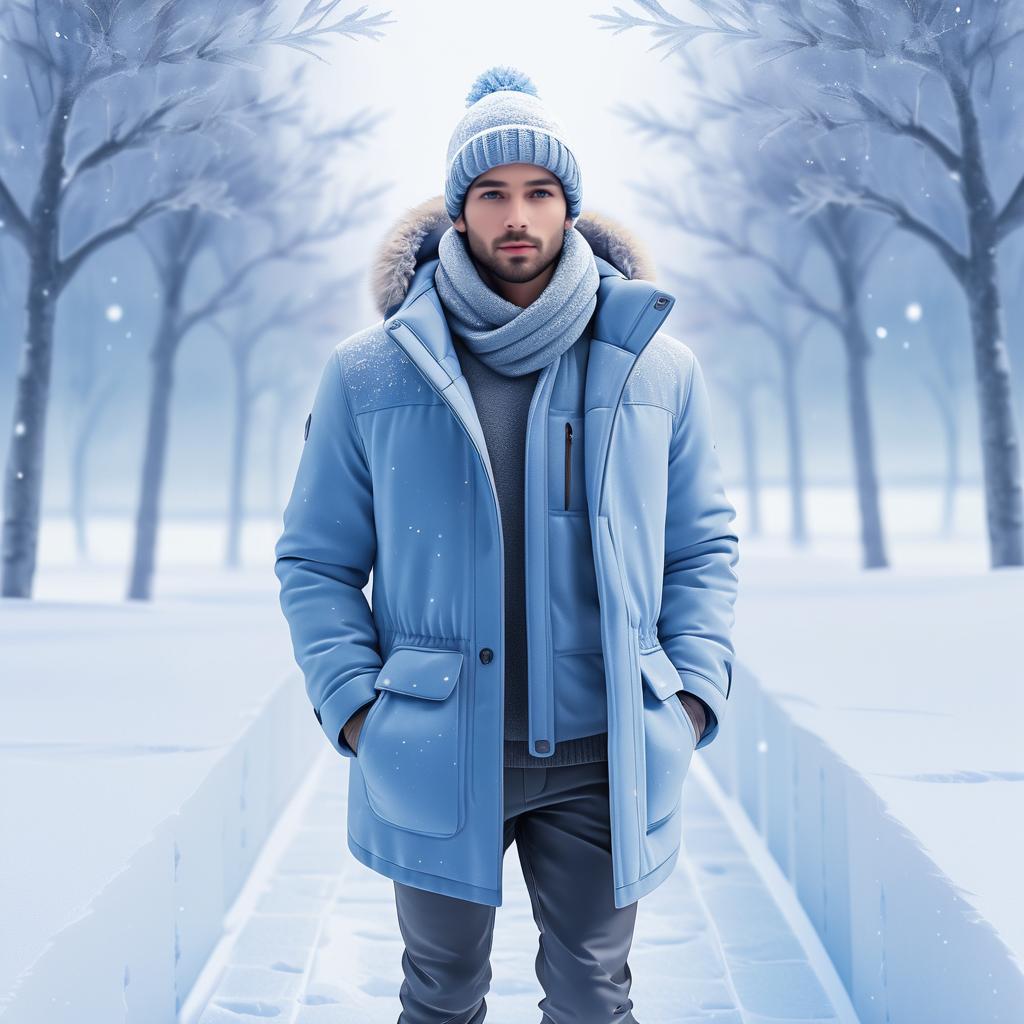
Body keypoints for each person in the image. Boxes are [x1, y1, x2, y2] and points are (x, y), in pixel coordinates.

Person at [274, 65, 739, 1024]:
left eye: (539, 192)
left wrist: (691, 693)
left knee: (595, 1000)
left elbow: (701, 547)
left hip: (606, 751)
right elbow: (317, 561)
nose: (516, 216)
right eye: (492, 194)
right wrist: (356, 709)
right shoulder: (370, 374)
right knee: (439, 998)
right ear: (457, 211)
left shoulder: (658, 365)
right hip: (436, 746)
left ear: (570, 207)